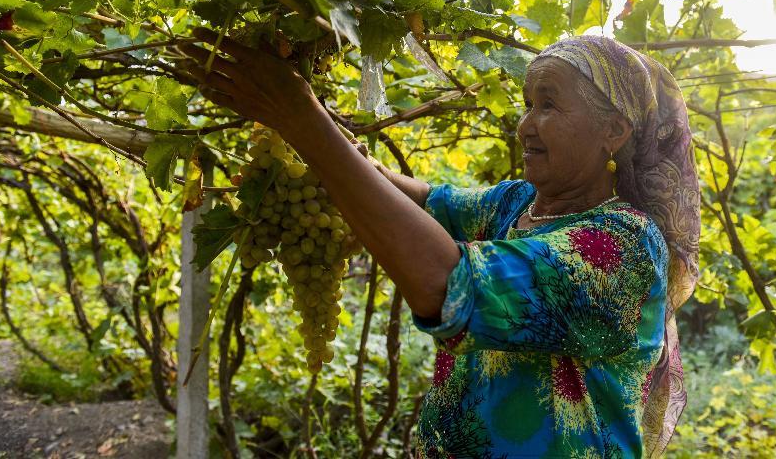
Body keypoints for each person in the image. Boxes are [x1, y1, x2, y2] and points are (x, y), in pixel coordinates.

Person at [184, 32, 701, 458]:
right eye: (527, 105)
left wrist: (304, 122)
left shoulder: (623, 248)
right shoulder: (517, 202)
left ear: (613, 129)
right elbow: (429, 201)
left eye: (549, 104)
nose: (525, 125)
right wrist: (326, 139)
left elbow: (447, 284)